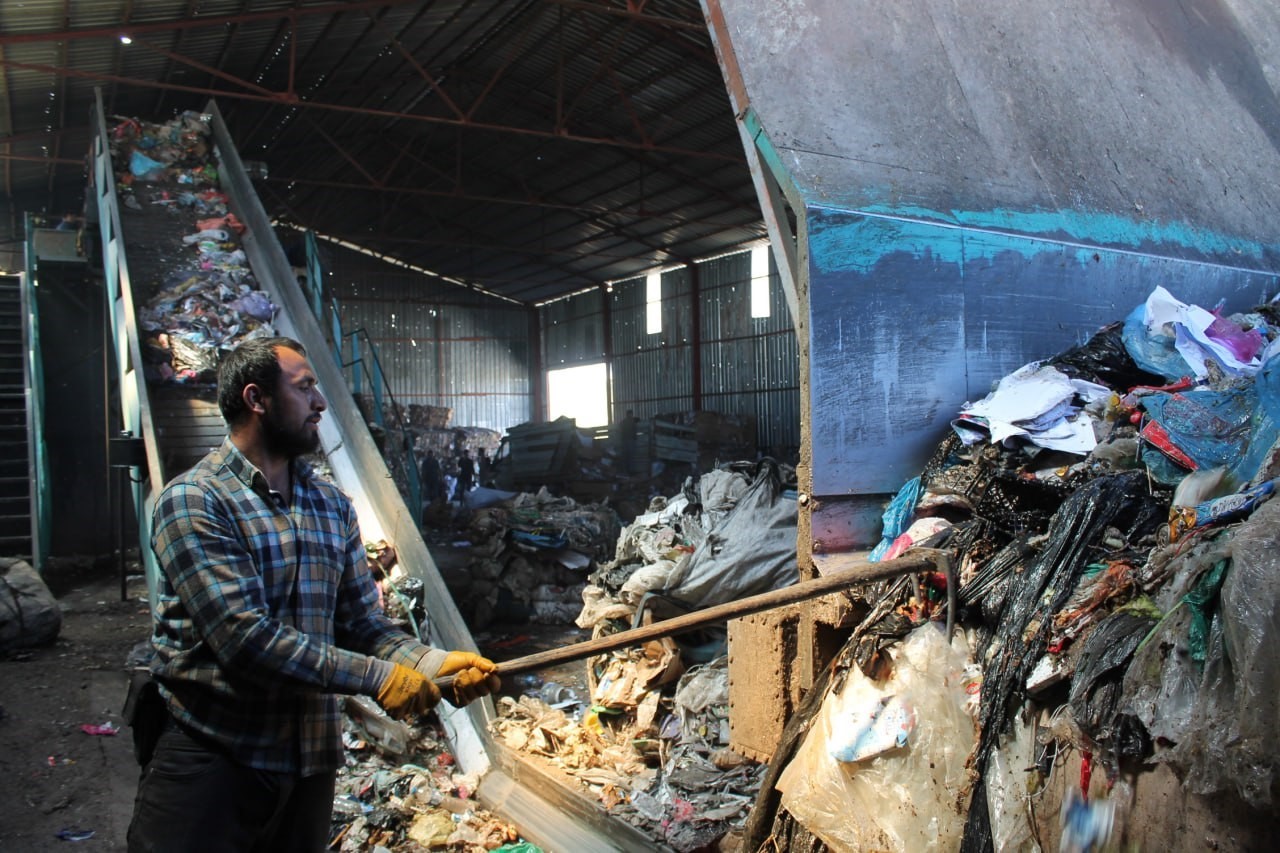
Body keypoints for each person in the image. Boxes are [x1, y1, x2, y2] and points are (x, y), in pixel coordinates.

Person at [126, 336, 499, 853]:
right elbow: (244, 638)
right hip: (215, 755)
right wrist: (380, 677)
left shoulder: (330, 504)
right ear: (257, 399)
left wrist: (432, 662)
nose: (321, 402)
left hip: (308, 762)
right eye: (305, 389)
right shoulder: (194, 501)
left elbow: (361, 624)